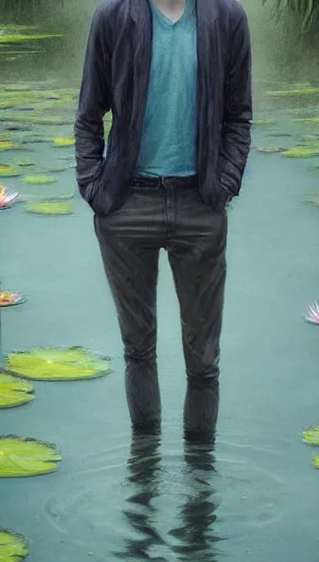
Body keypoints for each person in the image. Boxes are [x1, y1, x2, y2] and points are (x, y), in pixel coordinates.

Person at [75, 0, 252, 442]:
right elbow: (88, 116)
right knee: (138, 351)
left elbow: (238, 117)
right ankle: (144, 483)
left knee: (204, 362)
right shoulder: (112, 18)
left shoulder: (227, 18)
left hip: (200, 203)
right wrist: (95, 189)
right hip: (127, 203)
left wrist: (224, 184)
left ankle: (200, 487)